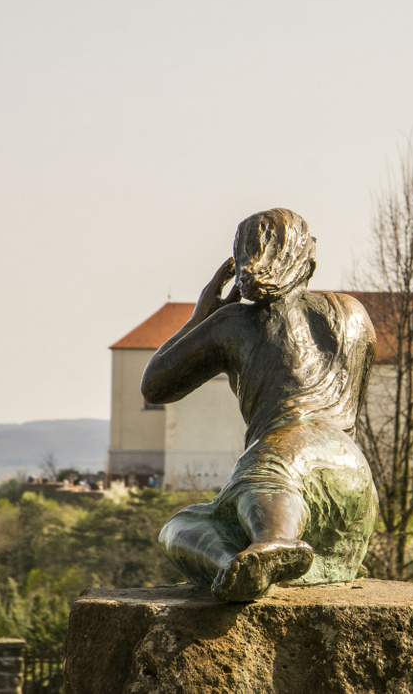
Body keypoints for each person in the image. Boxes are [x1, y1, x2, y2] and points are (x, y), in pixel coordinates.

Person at [142, 208, 378, 602]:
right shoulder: (353, 314)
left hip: (285, 458)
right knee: (192, 521)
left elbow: (155, 386)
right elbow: (350, 412)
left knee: (218, 504)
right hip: (351, 475)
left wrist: (201, 317)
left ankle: (270, 543)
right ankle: (245, 564)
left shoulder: (235, 322)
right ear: (308, 262)